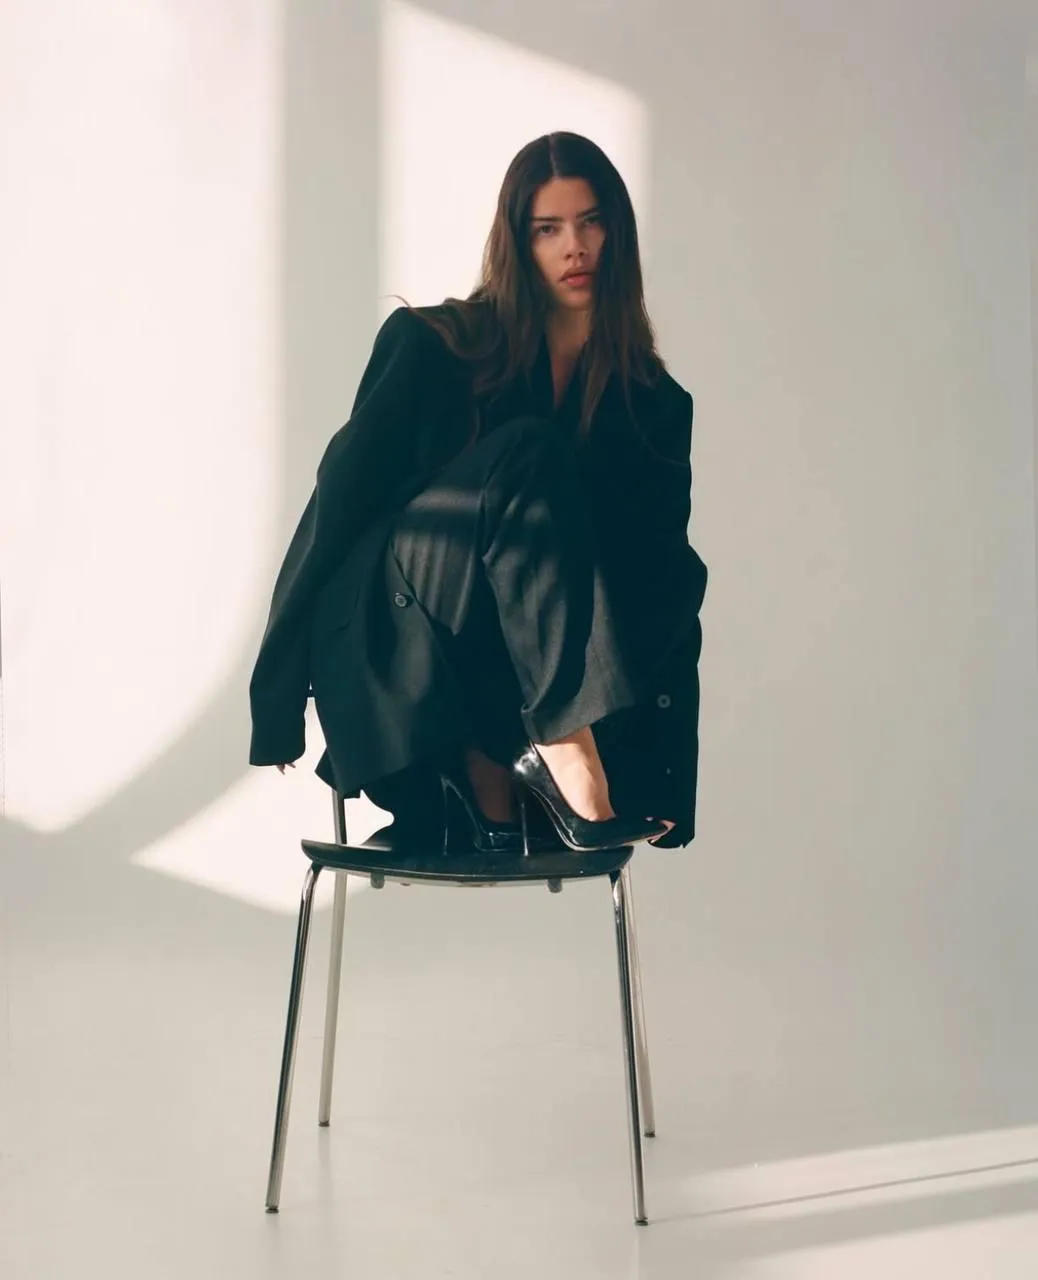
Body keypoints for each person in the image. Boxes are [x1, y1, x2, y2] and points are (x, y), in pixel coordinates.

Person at [248, 131, 707, 855]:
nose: (574, 248)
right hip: (396, 646)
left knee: (663, 561)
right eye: (548, 229)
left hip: (508, 672)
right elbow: (333, 509)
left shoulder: (651, 405)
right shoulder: (435, 345)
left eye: (590, 222)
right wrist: (274, 699)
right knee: (530, 452)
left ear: (616, 232)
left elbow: (663, 580)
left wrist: (665, 773)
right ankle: (562, 752)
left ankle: (507, 767)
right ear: (517, 244)